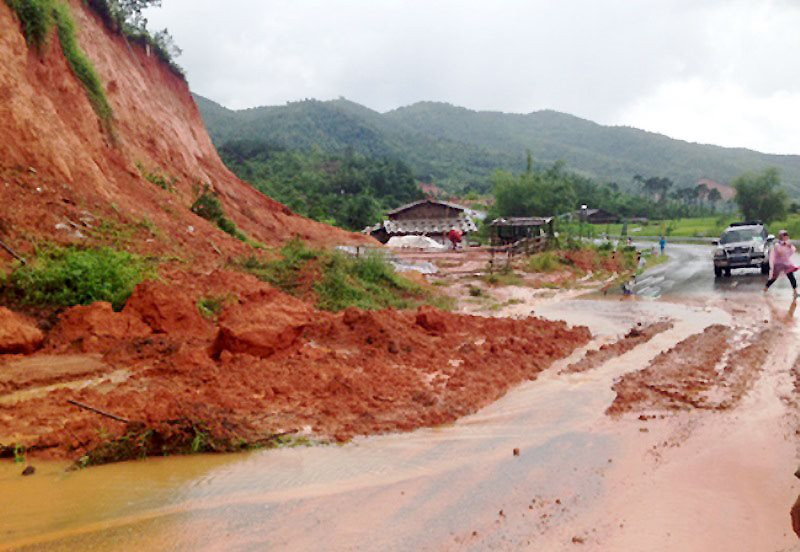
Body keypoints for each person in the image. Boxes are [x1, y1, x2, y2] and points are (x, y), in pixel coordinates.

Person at [764, 230, 798, 296]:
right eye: (783, 235)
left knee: (791, 276)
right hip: (778, 264)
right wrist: (785, 245)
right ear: (780, 237)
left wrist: (789, 246)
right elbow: (780, 253)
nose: (785, 237)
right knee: (774, 278)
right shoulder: (777, 245)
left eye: (786, 235)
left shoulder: (788, 244)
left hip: (786, 264)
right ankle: (766, 288)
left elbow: (793, 250)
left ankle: (795, 292)